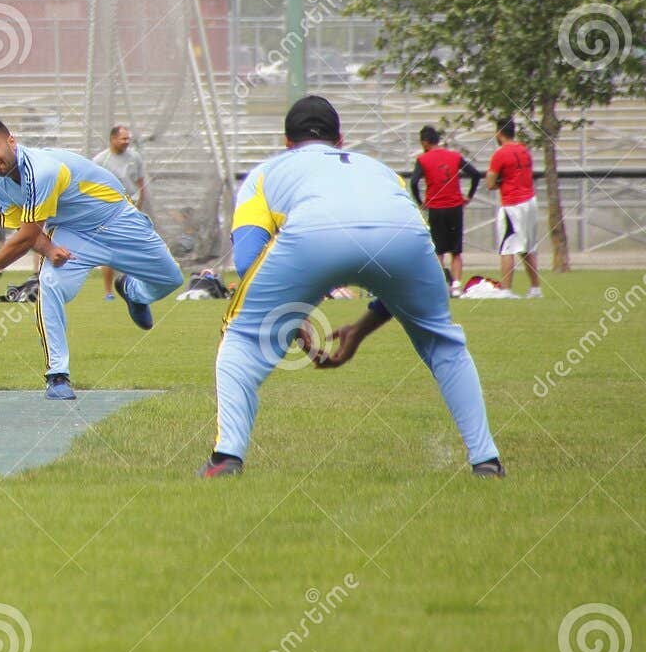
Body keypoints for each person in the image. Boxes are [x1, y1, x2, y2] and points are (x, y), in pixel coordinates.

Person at [199, 96, 503, 479]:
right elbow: (406, 267)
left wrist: (289, 315)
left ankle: (227, 457)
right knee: (444, 343)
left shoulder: (265, 173)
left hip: (313, 236)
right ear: (340, 140)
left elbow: (247, 258)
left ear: (287, 142)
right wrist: (359, 330)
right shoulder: (381, 172)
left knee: (241, 335)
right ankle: (486, 460)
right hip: (402, 235)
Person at [0, 117, 184, 401]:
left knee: (171, 279)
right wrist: (48, 248)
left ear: (12, 142)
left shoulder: (41, 170)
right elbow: (25, 231)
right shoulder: (3, 185)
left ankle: (133, 291)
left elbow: (27, 237)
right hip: (74, 233)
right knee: (50, 285)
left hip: (118, 219)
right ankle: (57, 376)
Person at [409, 126, 483, 297]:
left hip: (436, 208)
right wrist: (469, 196)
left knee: (438, 250)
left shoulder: (423, 159)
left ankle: (441, 285)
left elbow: (413, 182)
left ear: (424, 142)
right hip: (455, 207)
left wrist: (421, 202)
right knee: (456, 251)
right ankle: (456, 286)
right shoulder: (454, 156)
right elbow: (475, 174)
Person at [92, 124, 149, 301]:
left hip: (131, 209)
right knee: (108, 251)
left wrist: (139, 207)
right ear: (113, 139)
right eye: (123, 138)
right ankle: (109, 292)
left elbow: (141, 183)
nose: (126, 142)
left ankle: (131, 287)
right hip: (109, 210)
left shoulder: (135, 157)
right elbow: (93, 187)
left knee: (131, 249)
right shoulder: (100, 160)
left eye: (128, 139)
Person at [487, 117, 542, 298]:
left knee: (507, 247)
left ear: (499, 133)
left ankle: (506, 290)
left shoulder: (500, 154)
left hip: (512, 204)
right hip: (530, 202)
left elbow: (490, 183)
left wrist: (500, 182)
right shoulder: (524, 150)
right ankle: (535, 288)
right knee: (528, 247)